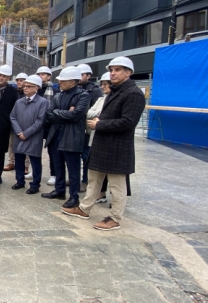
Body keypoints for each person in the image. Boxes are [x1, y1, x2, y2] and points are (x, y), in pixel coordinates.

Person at [63, 57, 146, 231]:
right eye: (112, 69)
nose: (113, 73)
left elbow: (128, 122)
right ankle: (84, 209)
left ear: (128, 73)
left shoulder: (133, 94)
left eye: (118, 70)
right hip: (102, 144)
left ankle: (115, 218)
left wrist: (99, 124)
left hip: (117, 147)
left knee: (116, 184)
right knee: (94, 179)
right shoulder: (114, 91)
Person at [42, 66, 90, 209]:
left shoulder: (83, 95)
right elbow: (49, 114)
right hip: (56, 135)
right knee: (57, 165)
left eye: (63, 80)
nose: (60, 82)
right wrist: (65, 113)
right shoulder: (58, 96)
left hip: (72, 137)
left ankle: (74, 197)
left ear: (73, 81)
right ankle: (60, 190)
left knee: (73, 168)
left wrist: (60, 113)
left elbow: (76, 115)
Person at [9, 74, 48, 194]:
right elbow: (13, 116)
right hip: (19, 134)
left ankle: (35, 184)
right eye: (24, 86)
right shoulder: (19, 102)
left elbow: (40, 121)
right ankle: (20, 181)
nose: (25, 88)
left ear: (36, 88)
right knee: (19, 158)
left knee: (35, 160)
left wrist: (26, 133)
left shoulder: (42, 102)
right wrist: (19, 131)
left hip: (34, 136)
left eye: (28, 86)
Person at [86, 72, 112, 204]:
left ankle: (110, 196)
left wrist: (99, 117)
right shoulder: (101, 99)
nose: (103, 87)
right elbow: (89, 113)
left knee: (112, 172)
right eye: (102, 84)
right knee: (96, 169)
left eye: (105, 84)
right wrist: (99, 113)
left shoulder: (115, 100)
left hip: (110, 140)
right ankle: (99, 194)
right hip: (95, 137)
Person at [78, 63, 104, 192]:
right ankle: (76, 179)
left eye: (82, 74)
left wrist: (80, 111)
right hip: (76, 128)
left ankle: (85, 181)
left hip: (87, 128)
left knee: (86, 156)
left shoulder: (95, 90)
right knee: (75, 155)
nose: (79, 77)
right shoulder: (75, 88)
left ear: (88, 76)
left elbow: (96, 111)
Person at [37, 65, 60, 186]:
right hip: (38, 123)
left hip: (51, 124)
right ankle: (34, 171)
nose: (41, 77)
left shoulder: (55, 89)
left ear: (49, 76)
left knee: (53, 151)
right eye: (39, 74)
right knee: (34, 148)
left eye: (43, 74)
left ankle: (54, 174)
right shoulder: (36, 89)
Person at [5, 72, 29, 173]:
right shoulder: (14, 92)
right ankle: (11, 162)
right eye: (18, 80)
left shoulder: (28, 94)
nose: (19, 82)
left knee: (26, 144)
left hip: (25, 124)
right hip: (13, 123)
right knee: (11, 144)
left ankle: (26, 165)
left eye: (21, 80)